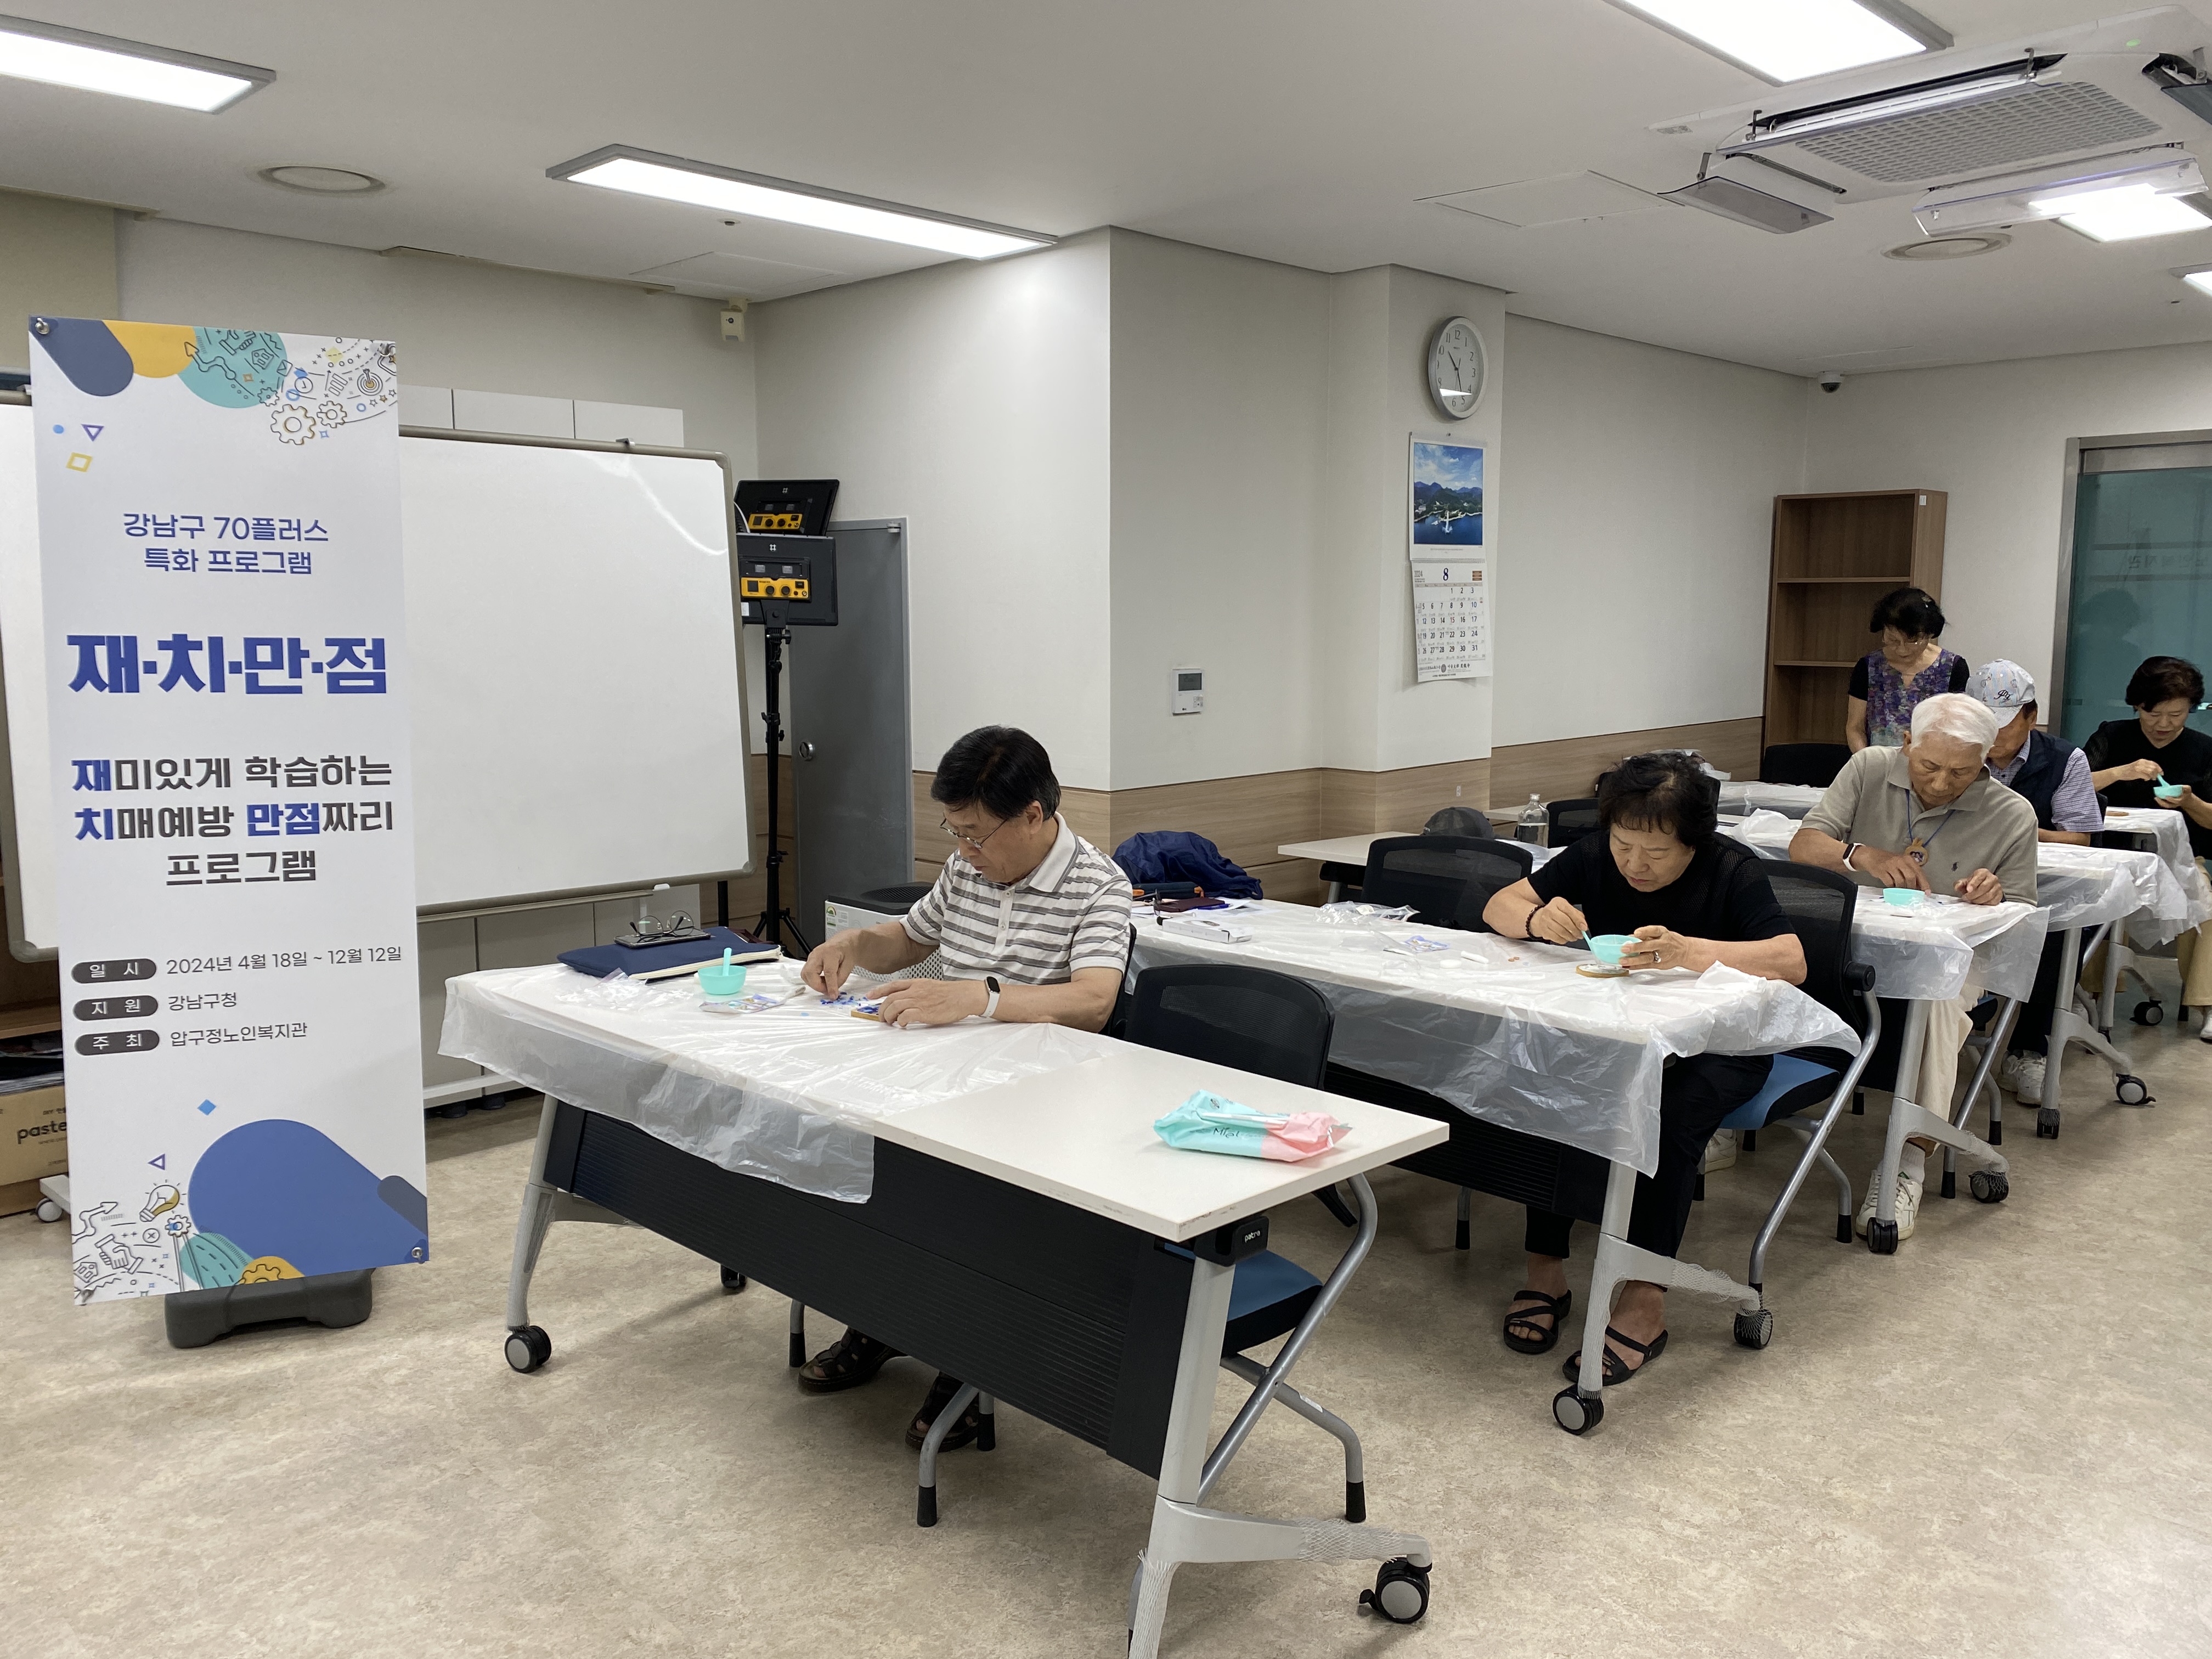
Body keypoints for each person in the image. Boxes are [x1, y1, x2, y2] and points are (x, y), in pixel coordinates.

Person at [792, 725, 1132, 1448]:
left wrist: (981, 996)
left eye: (976, 834)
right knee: (875, 1177)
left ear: (1033, 815)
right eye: (957, 833)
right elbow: (910, 941)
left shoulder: (1098, 885)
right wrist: (853, 943)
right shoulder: (968, 870)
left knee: (968, 1209)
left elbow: (1095, 1000)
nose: (966, 850)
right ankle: (883, 1319)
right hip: (947, 1075)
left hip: (1041, 1100)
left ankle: (969, 1363)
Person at [1482, 753, 1805, 1386]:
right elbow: (1500, 904)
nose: (1635, 864)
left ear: (1694, 843)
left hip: (1722, 1048)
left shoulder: (1731, 869)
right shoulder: (1596, 855)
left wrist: (1691, 952)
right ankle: (1545, 1271)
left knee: (1667, 1111)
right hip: (1618, 1035)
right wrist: (1535, 918)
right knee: (1549, 1084)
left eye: (1656, 853)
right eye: (1624, 845)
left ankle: (1644, 1300)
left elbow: (1791, 961)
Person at [1789, 693, 2038, 1242]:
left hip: (1952, 958)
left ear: (1985, 761)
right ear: (1906, 743)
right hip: (1852, 946)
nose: (1943, 783)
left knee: (1937, 1000)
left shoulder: (2012, 813)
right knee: (1766, 962)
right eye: (1929, 766)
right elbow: (1804, 846)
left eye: (1962, 772)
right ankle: (1724, 1118)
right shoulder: (1869, 768)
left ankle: (1907, 1163)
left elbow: (2022, 913)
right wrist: (1861, 855)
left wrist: (1995, 894)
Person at [1961, 661, 2101, 1107]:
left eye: (2003, 723)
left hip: (2040, 881)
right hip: (1962, 875)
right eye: (1982, 722)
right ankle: (1948, 1028)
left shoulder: (2064, 760)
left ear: (2031, 716)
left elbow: (2080, 836)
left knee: (2055, 933)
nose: (1992, 735)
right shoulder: (1958, 750)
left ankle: (2028, 1050)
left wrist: (2020, 831)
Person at [2081, 655, 2212, 1036]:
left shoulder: (2203, 750)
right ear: (2137, 705)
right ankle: (2087, 997)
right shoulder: (2112, 736)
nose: (2164, 724)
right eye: (2153, 714)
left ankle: (2207, 1003)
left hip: (2179, 861)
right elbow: (2072, 785)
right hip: (2112, 856)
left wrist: (2189, 801)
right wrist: (2120, 772)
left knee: (2205, 906)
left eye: (2177, 714)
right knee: (2094, 901)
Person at [1847, 587, 1969, 752]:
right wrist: (1866, 761)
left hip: (1932, 762)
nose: (1902, 649)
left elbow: (1956, 728)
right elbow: (1855, 728)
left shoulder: (1953, 668)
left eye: (1912, 641)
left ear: (1930, 634)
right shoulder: (1868, 667)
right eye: (1893, 640)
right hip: (1878, 762)